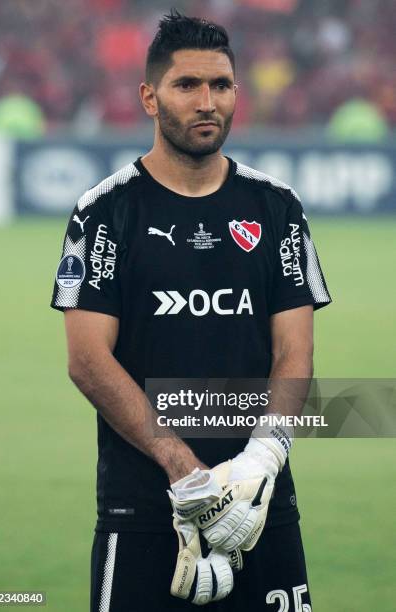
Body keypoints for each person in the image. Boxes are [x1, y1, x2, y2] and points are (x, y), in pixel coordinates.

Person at [51, 10, 331, 611]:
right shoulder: (104, 213)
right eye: (187, 86)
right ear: (150, 98)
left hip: (261, 509)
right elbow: (86, 360)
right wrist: (183, 468)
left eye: (221, 86)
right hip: (146, 511)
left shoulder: (277, 207)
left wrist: (263, 459)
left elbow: (295, 350)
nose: (208, 102)